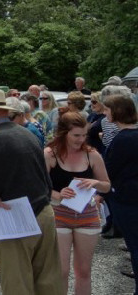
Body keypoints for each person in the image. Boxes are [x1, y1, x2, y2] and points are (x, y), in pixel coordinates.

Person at [0, 88, 64, 294]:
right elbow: (44, 175)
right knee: (49, 281)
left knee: (16, 284)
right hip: (43, 211)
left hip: (13, 215)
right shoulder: (28, 133)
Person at [45, 112, 111, 295]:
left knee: (84, 271)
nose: (81, 139)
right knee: (61, 271)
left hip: (87, 215)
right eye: (76, 135)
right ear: (64, 133)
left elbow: (107, 186)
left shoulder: (92, 155)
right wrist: (58, 194)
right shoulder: (50, 154)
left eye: (84, 135)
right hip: (59, 214)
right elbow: (39, 187)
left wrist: (95, 183)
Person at [102, 94, 138, 290]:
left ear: (117, 111)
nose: (105, 113)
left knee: (135, 244)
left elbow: (110, 170)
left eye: (107, 109)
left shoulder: (123, 139)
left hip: (126, 197)